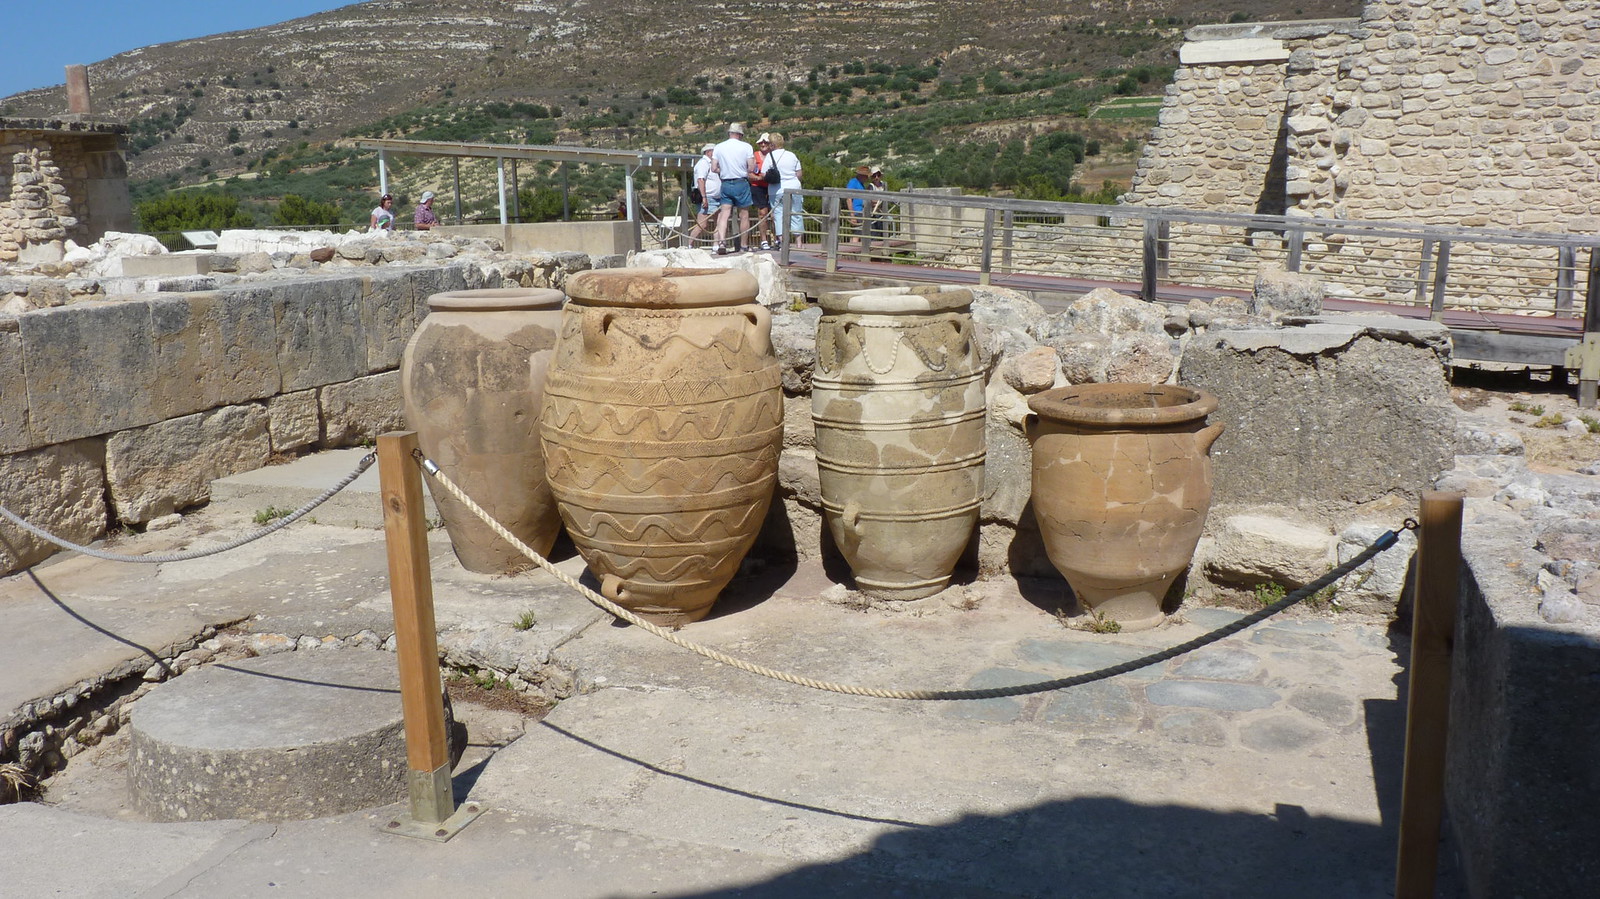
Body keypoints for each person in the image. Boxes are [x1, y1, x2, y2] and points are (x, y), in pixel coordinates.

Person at [711, 122, 755, 254]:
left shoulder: (719, 147)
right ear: (740, 134)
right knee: (744, 215)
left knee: (724, 214)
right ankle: (743, 245)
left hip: (725, 183)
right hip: (741, 182)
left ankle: (722, 242)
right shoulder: (746, 147)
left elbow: (713, 168)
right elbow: (751, 168)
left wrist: (723, 170)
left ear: (729, 133)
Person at [766, 132, 803, 244]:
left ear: (772, 144)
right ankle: (799, 243)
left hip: (776, 189)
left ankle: (783, 243)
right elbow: (799, 173)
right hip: (794, 187)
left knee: (778, 215)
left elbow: (764, 173)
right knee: (796, 213)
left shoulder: (769, 156)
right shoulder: (791, 155)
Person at [687, 143, 720, 247]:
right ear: (708, 152)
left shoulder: (712, 163)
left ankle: (716, 245)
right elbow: (700, 180)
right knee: (702, 224)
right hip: (707, 197)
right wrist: (704, 197)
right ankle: (689, 244)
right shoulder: (703, 163)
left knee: (719, 222)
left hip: (717, 197)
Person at [749, 134, 776, 250]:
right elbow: (749, 173)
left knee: (775, 214)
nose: (763, 144)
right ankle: (764, 240)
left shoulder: (775, 155)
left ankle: (778, 238)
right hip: (758, 187)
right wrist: (760, 178)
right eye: (761, 143)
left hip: (773, 186)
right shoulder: (754, 156)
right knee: (762, 213)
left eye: (765, 142)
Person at [845, 165, 870, 237]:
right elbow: (849, 198)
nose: (866, 178)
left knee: (860, 233)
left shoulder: (861, 184)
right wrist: (852, 215)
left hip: (862, 211)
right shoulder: (853, 182)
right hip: (857, 212)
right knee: (857, 234)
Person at [868, 168, 889, 238]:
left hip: (882, 212)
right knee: (875, 231)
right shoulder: (871, 186)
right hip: (873, 213)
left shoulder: (883, 185)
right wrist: (878, 201)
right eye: (874, 176)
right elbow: (870, 199)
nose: (876, 178)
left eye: (878, 175)